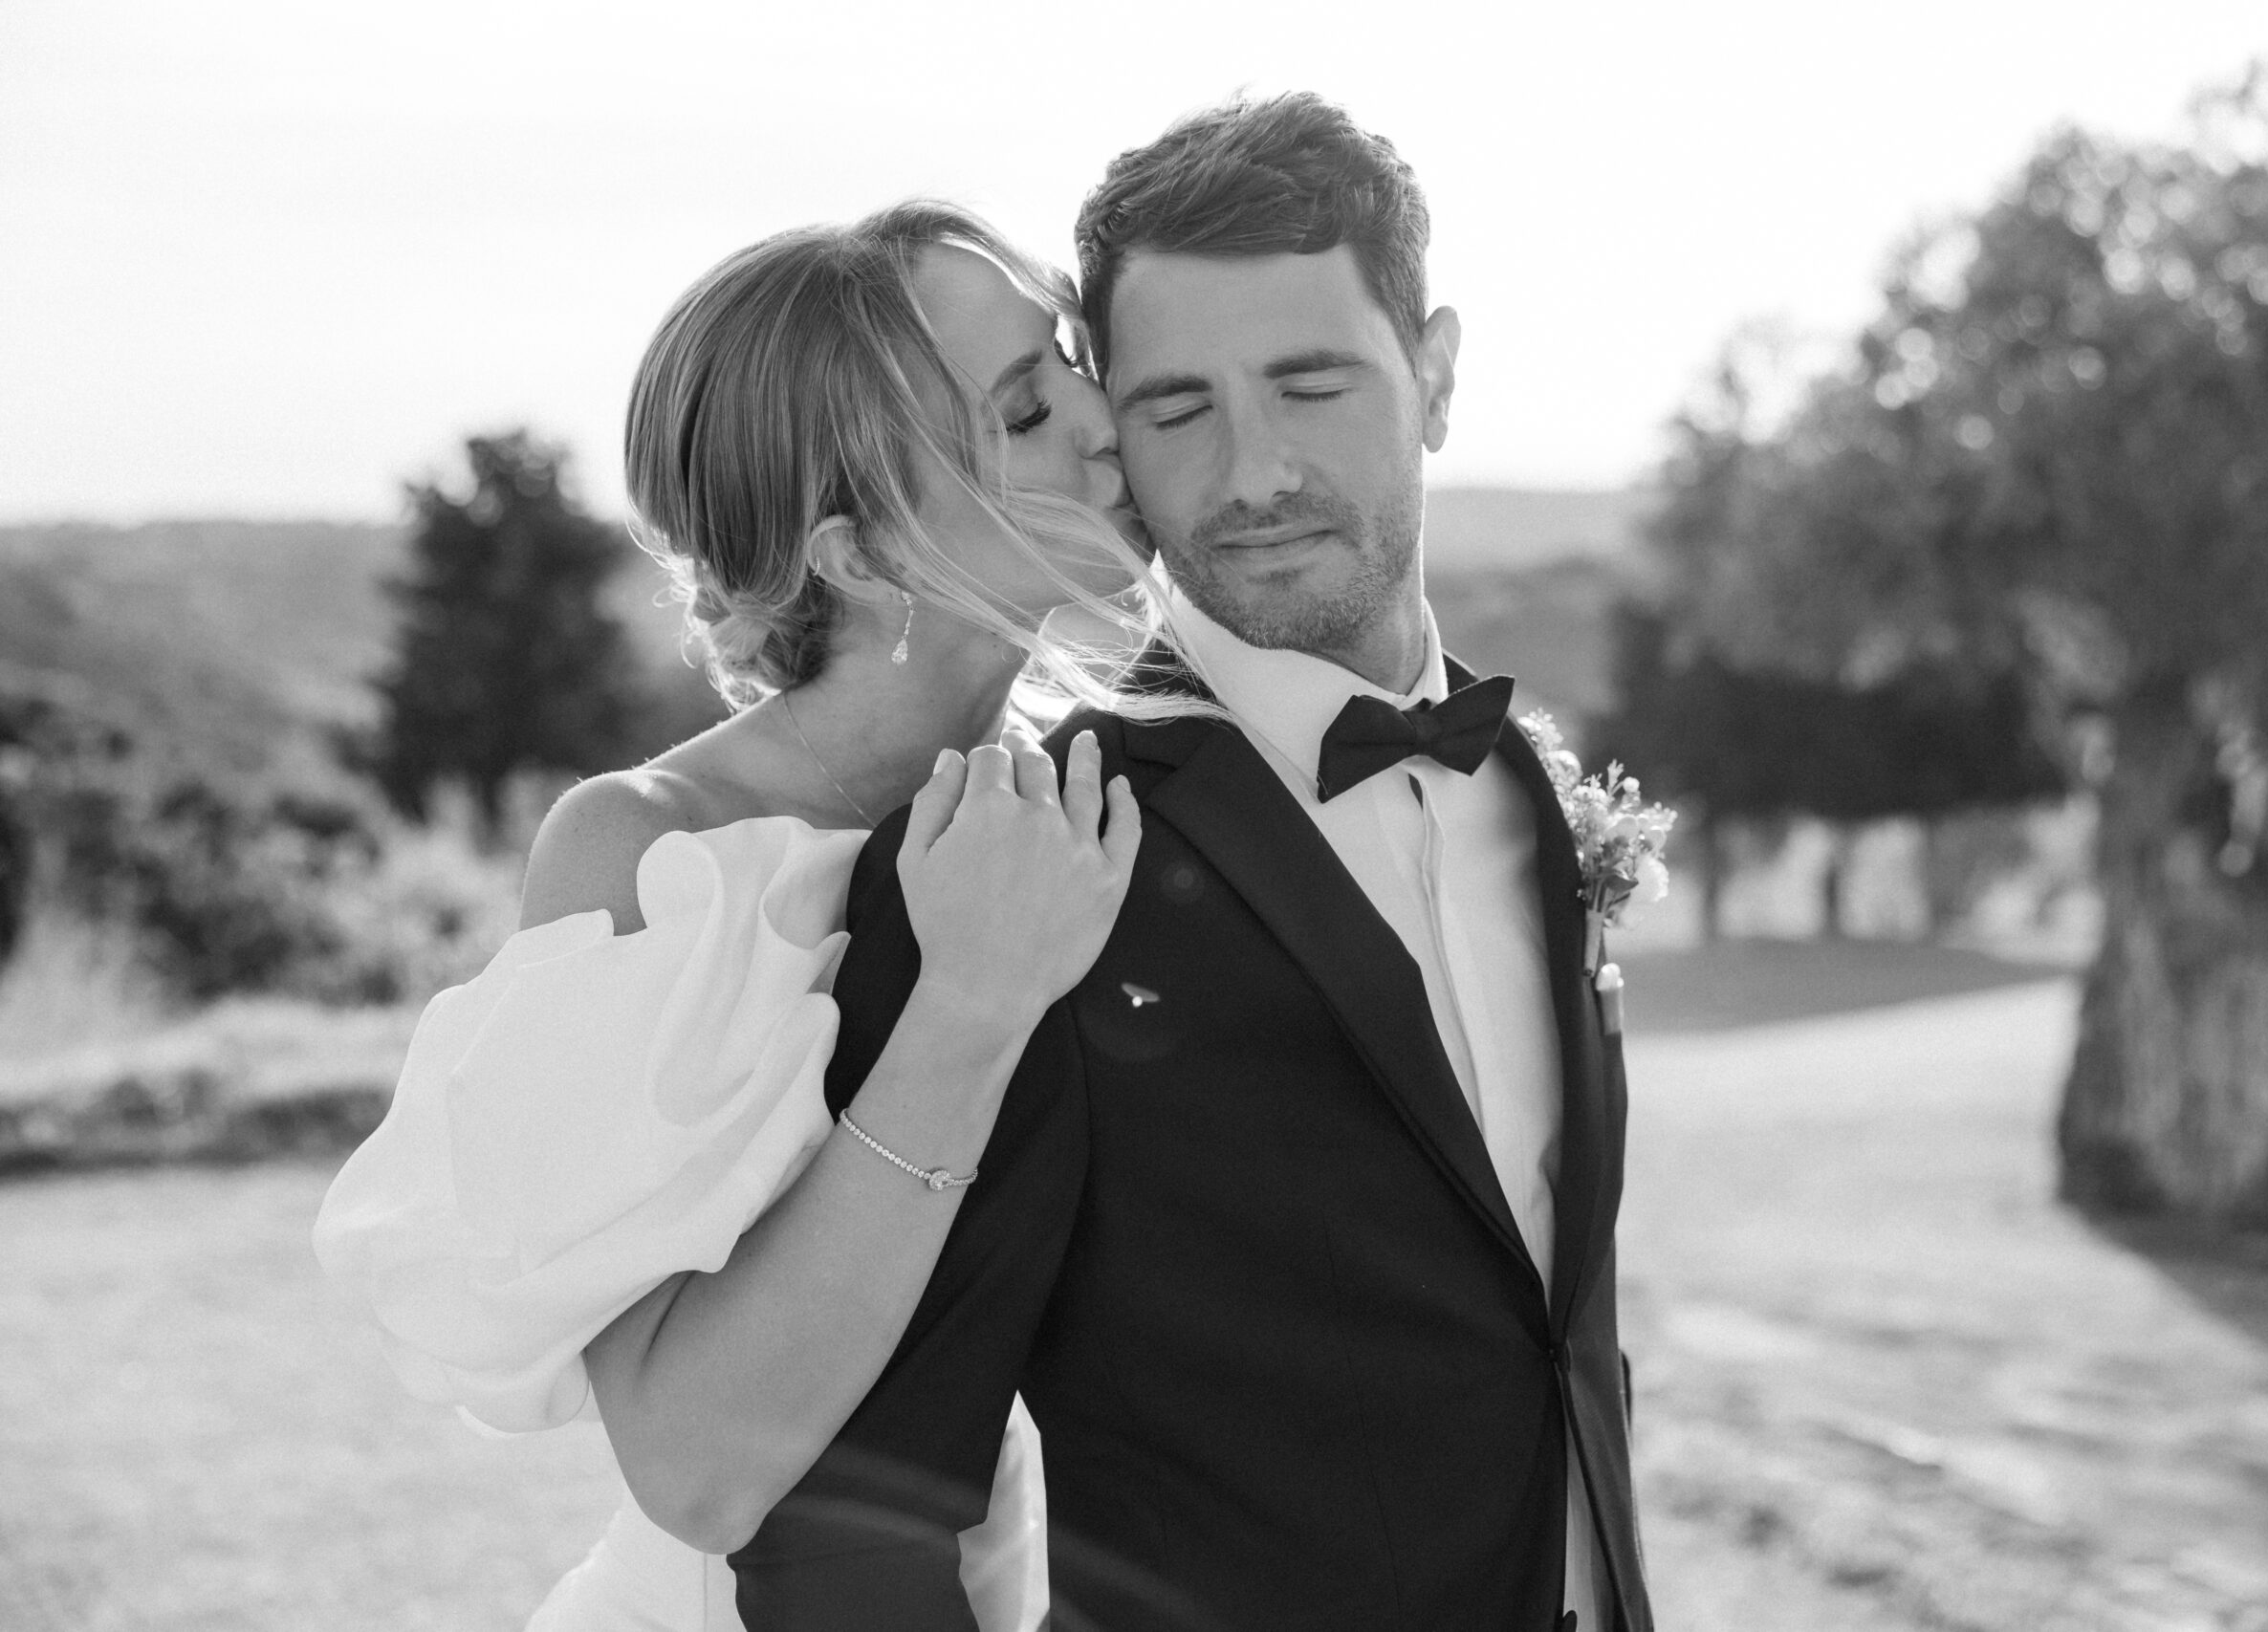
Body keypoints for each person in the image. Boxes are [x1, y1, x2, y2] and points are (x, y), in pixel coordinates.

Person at [737, 95, 1656, 1632]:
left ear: (1434, 375)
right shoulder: (1015, 863)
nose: (1253, 475)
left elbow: (1548, 1337)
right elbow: (843, 1536)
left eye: (1311, 385)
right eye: (1177, 409)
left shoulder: (1517, 785)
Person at [313, 202, 1158, 1632]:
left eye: (1071, 361)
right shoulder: (658, 854)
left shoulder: (1082, 803)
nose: (1101, 417)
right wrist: (968, 1006)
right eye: (1025, 410)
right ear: (859, 555)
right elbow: (696, 1473)